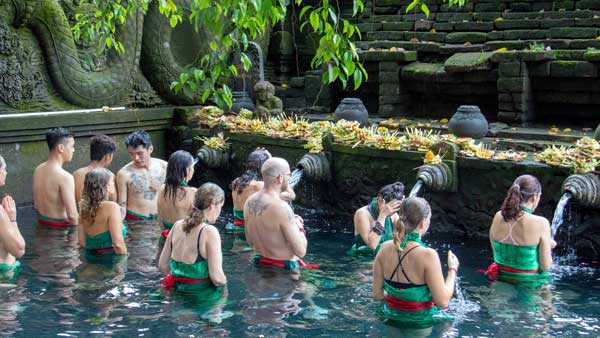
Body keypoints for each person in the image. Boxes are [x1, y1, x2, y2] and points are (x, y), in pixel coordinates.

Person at [373, 197, 458, 328]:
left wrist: (399, 303)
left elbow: (378, 294)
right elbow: (442, 301)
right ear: (423, 223)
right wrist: (452, 270)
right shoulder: (428, 255)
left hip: (391, 319)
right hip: (419, 323)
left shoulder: (384, 248)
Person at [244, 157, 317, 270]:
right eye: (289, 174)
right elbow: (301, 251)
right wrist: (299, 227)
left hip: (259, 266)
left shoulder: (249, 201)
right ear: (280, 178)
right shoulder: (282, 207)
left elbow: (250, 242)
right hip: (284, 272)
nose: (290, 177)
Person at [480, 175, 553, 285]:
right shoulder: (541, 223)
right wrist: (549, 246)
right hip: (530, 285)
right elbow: (546, 266)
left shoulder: (498, 216)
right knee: (547, 290)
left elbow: (497, 255)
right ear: (534, 197)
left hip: (501, 281)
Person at [159, 183, 227, 291]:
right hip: (201, 297)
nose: (219, 212)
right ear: (211, 207)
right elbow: (217, 278)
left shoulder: (177, 225)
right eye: (220, 207)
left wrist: (181, 281)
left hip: (177, 293)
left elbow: (163, 265)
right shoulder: (209, 231)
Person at [228, 148, 295, 232]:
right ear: (264, 167)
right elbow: (291, 195)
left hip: (236, 228)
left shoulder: (236, 182)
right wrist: (284, 176)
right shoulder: (260, 186)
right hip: (253, 231)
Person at [116, 130, 167, 221]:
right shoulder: (123, 174)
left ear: (150, 149)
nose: (136, 158)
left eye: (140, 153)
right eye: (131, 154)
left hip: (161, 217)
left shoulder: (164, 167)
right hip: (136, 218)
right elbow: (122, 205)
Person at [33, 127, 79, 227]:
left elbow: (36, 206)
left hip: (41, 225)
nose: (73, 150)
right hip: (60, 229)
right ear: (61, 148)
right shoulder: (65, 177)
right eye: (72, 146)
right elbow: (72, 216)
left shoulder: (38, 169)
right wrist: (76, 240)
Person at [79, 168, 127, 255]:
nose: (113, 184)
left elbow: (82, 242)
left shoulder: (83, 206)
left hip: (90, 258)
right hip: (110, 260)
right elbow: (118, 245)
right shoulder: (112, 207)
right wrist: (123, 263)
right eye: (112, 182)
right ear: (106, 186)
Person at [349, 182, 405, 257]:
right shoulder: (362, 214)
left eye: (396, 208)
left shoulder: (393, 214)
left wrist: (404, 209)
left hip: (385, 257)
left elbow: (405, 239)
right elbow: (372, 245)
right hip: (364, 260)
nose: (393, 211)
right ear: (380, 200)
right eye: (392, 208)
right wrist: (383, 215)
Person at [157, 150, 197, 238]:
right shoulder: (193, 193)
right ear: (188, 170)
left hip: (166, 237)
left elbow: (159, 219)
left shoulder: (162, 189)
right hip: (183, 240)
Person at [0, 155, 26, 278]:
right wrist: (12, 219)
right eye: (4, 169)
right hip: (5, 279)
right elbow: (19, 250)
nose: (6, 172)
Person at [73, 135, 117, 203]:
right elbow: (114, 201)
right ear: (107, 157)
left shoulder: (76, 174)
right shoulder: (110, 176)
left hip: (82, 212)